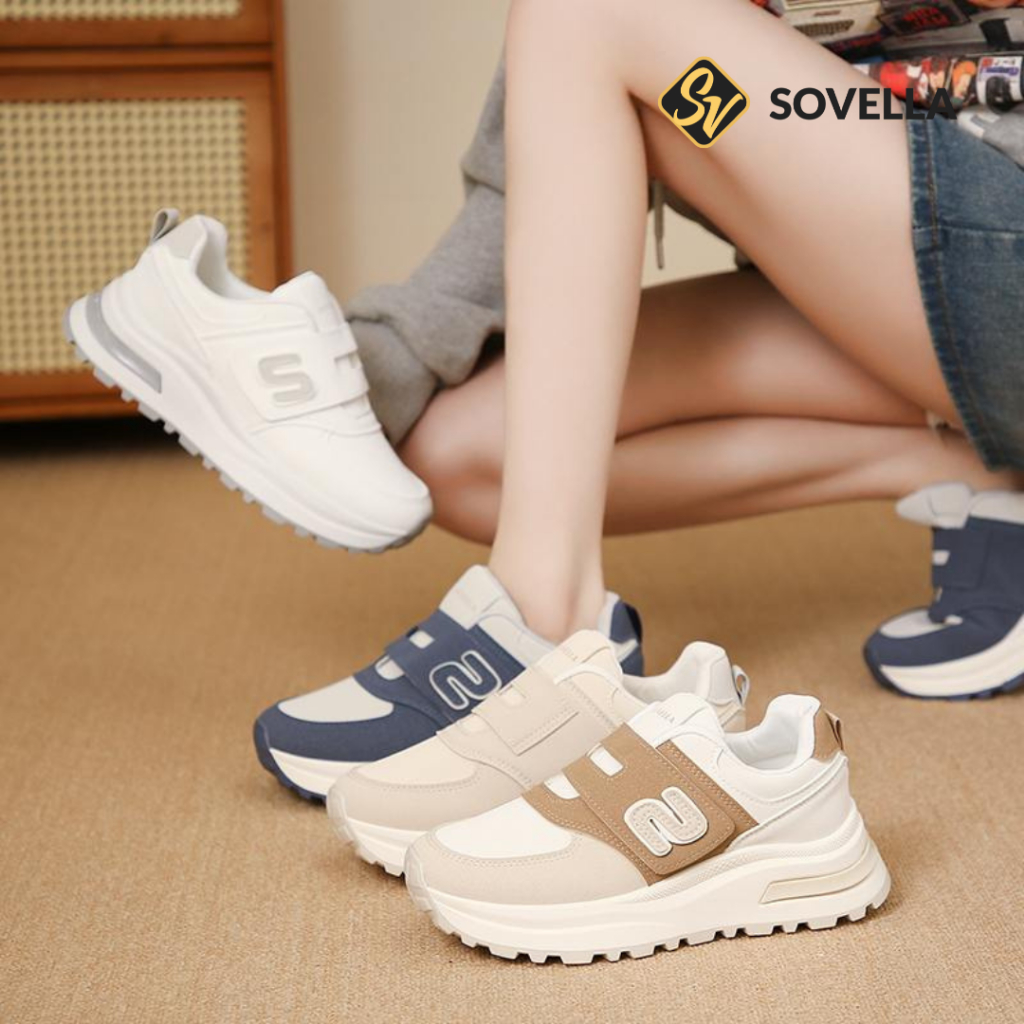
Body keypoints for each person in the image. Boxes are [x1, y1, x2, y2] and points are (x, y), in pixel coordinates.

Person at [253, 0, 1024, 794]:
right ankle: (983, 471)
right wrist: (392, 358)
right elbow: (543, 140)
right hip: (925, 267)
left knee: (591, 12)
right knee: (461, 457)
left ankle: (549, 622)